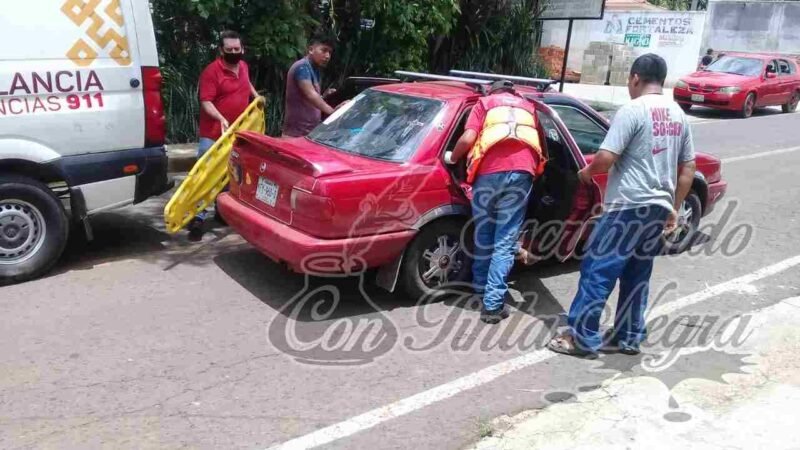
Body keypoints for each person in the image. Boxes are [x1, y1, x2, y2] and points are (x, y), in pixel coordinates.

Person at [547, 54, 696, 358]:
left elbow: (605, 158)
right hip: (656, 208)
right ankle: (628, 336)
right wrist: (673, 208)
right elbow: (688, 168)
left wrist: (585, 174)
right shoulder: (678, 114)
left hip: (627, 206)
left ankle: (581, 338)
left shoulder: (632, 110)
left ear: (636, 78)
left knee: (597, 270)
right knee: (636, 273)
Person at [446, 80, 546, 324]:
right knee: (505, 239)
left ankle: (482, 290)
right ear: (513, 92)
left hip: (488, 174)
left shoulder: (484, 103)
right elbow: (541, 145)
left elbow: (469, 137)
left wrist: (452, 157)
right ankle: (493, 303)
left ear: (492, 91)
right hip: (522, 173)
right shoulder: (527, 107)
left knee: (485, 232)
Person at [188, 30, 259, 241]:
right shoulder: (212, 72)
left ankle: (222, 211)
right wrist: (220, 118)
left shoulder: (244, 66)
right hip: (213, 134)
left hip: (237, 132)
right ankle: (197, 217)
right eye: (230, 50)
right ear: (221, 50)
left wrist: (256, 97)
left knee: (230, 173)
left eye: (237, 49)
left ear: (242, 49)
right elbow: (206, 101)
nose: (234, 53)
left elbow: (247, 84)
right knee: (205, 176)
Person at [282, 33, 337, 137]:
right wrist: (333, 112)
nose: (327, 56)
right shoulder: (302, 67)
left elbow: (308, 99)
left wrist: (324, 96)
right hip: (295, 135)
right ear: (311, 49)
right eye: (324, 50)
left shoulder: (314, 68)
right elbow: (311, 95)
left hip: (308, 133)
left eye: (330, 52)